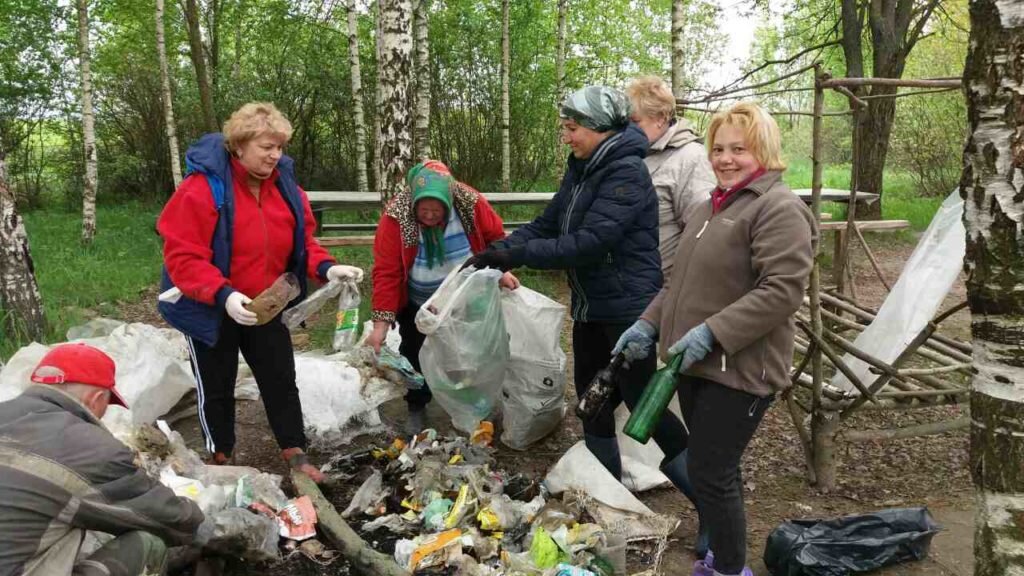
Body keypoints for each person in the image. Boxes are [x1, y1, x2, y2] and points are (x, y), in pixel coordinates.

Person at [465, 86, 705, 532]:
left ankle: (710, 505)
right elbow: (549, 223)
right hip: (593, 306)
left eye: (572, 128)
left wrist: (516, 257)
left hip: (629, 308)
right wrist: (498, 249)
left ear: (598, 128)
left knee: (639, 400)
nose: (566, 137)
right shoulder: (582, 169)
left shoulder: (626, 173)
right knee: (592, 400)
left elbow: (590, 243)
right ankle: (606, 498)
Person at [614, 102, 815, 576]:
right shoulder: (710, 206)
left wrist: (713, 331)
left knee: (711, 472)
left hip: (742, 368)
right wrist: (647, 323)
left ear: (763, 150)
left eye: (739, 149)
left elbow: (782, 291)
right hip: (695, 363)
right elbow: (677, 284)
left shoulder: (778, 208)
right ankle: (721, 557)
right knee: (710, 469)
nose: (725, 158)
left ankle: (728, 569)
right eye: (718, 148)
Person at [157, 102, 363, 483]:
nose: (275, 155)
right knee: (216, 386)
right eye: (266, 146)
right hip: (209, 305)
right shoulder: (201, 190)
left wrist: (327, 267)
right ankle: (222, 458)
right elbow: (182, 257)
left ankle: (296, 453)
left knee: (280, 378)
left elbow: (303, 243)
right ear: (239, 146)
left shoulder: (287, 189)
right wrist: (224, 296)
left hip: (265, 304)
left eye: (280, 147)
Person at [0, 343, 207, 576]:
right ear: (97, 399)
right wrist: (209, 516)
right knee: (147, 543)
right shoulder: (89, 448)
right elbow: (174, 520)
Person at [366, 160, 518, 436]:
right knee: (413, 352)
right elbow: (387, 271)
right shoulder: (396, 217)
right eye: (423, 210)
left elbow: (496, 237)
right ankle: (416, 405)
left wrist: (501, 270)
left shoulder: (469, 203)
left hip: (466, 295)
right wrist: (380, 325)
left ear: (449, 202)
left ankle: (476, 405)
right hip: (420, 303)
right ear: (413, 204)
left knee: (473, 349)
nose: (430, 216)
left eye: (437, 210)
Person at [626, 76, 716, 280]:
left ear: (661, 118)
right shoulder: (635, 154)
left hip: (662, 289)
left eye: (635, 121)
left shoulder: (691, 159)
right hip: (626, 286)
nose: (627, 129)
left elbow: (701, 232)